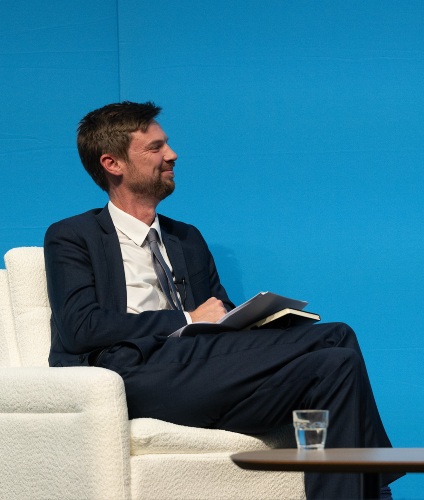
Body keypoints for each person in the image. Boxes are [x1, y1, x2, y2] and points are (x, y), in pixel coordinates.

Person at [45, 101, 400, 499]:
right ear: (112, 163)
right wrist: (186, 318)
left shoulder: (186, 238)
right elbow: (80, 328)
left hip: (204, 373)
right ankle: (379, 489)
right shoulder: (73, 236)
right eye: (156, 147)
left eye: (168, 145)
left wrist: (260, 320)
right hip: (133, 373)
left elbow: (220, 318)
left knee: (336, 362)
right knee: (336, 335)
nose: (172, 155)